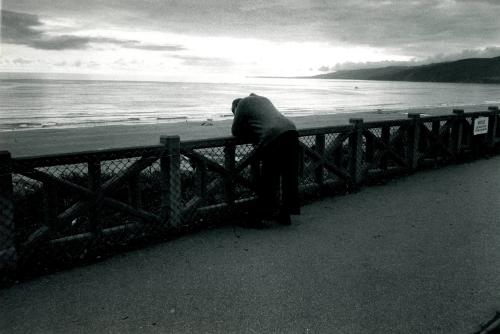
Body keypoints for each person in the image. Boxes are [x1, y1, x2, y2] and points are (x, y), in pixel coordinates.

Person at [231, 93, 300, 225]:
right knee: (289, 176)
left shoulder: (242, 104)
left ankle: (260, 217)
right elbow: (267, 119)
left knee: (269, 178)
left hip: (274, 137)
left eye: (234, 112)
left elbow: (235, 130)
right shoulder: (263, 99)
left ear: (235, 107)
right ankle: (285, 215)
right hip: (291, 131)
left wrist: (247, 130)